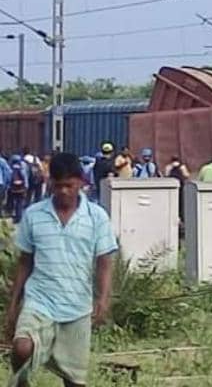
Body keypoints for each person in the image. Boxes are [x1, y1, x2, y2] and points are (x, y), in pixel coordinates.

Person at [5, 151, 117, 387]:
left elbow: (104, 261)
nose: (63, 191)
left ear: (81, 183)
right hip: (40, 301)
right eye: (58, 186)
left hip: (77, 306)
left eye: (69, 185)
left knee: (74, 380)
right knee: (22, 346)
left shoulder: (96, 217)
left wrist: (104, 299)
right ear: (50, 183)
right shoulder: (34, 215)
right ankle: (20, 382)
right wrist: (14, 304)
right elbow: (25, 261)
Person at [8, 156, 28, 221]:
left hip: (13, 189)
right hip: (21, 188)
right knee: (19, 202)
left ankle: (11, 213)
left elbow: (9, 179)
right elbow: (25, 178)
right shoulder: (22, 169)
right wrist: (26, 187)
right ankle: (18, 216)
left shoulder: (11, 169)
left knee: (14, 201)